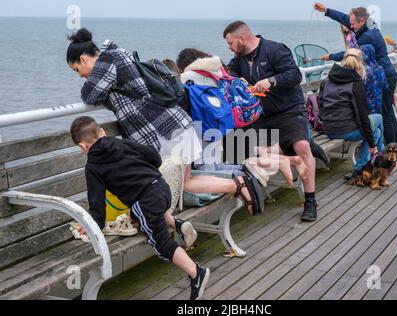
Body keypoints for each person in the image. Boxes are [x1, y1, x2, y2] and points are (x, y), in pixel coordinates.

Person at [66, 28, 264, 216]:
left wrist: (92, 84)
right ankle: (237, 183)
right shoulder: (116, 60)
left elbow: (89, 95)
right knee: (187, 181)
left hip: (164, 133)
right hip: (175, 126)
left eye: (76, 69)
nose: (81, 76)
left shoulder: (109, 61)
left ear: (84, 58)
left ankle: (235, 185)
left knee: (181, 184)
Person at [70, 116, 209, 300]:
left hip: (147, 202)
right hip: (162, 188)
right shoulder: (122, 143)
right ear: (102, 131)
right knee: (138, 214)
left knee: (160, 242)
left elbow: (97, 205)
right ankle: (177, 223)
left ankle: (196, 273)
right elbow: (154, 157)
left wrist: (91, 228)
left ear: (83, 147)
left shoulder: (93, 166)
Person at [222, 21, 326, 222]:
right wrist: (237, 80)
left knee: (302, 147)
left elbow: (295, 75)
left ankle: (310, 200)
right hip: (260, 116)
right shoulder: (238, 60)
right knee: (234, 148)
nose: (229, 47)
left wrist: (271, 81)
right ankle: (287, 149)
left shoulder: (275, 49)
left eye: (230, 43)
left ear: (242, 38)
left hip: (288, 111)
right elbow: (229, 74)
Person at [177, 48, 309, 186]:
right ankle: (283, 161)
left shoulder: (189, 77)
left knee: (227, 163)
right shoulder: (219, 71)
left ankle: (272, 168)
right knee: (243, 158)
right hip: (236, 120)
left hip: (214, 126)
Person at [314, 3, 397, 145]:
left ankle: (392, 147)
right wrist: (326, 10)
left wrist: (330, 56)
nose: (351, 27)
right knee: (389, 111)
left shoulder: (367, 37)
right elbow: (345, 18)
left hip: (383, 75)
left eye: (353, 24)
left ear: (361, 21)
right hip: (386, 74)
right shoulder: (368, 26)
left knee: (385, 114)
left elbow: (351, 54)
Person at [318, 48, 383, 179]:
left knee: (376, 133)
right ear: (360, 63)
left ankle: (375, 159)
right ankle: (376, 159)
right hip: (347, 130)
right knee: (378, 118)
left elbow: (320, 105)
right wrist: (372, 144)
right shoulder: (355, 83)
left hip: (329, 129)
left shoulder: (327, 80)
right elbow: (363, 116)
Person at [360, 44, 387, 152]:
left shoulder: (363, 71)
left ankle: (374, 153)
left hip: (367, 105)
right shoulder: (379, 68)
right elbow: (385, 86)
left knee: (372, 130)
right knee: (379, 127)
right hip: (378, 102)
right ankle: (381, 151)